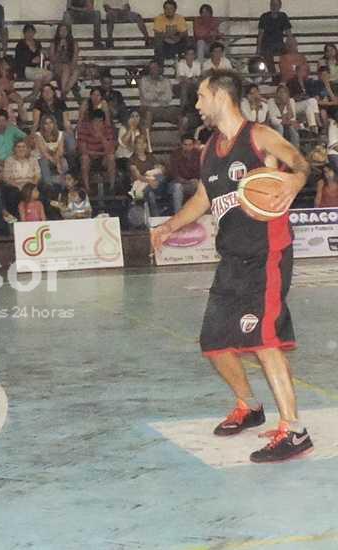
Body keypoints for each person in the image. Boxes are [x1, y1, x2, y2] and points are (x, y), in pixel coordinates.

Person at [152, 69, 313, 463]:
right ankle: (249, 406)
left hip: (266, 253)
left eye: (201, 96)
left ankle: (295, 431)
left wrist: (294, 181)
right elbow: (204, 198)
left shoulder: (258, 137)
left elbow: (300, 162)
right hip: (232, 259)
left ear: (221, 96)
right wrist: (169, 226)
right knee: (214, 342)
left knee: (264, 340)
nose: (196, 104)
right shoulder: (210, 148)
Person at [78, 109, 116, 195]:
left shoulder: (108, 129)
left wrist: (102, 137)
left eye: (100, 121)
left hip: (102, 158)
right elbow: (83, 150)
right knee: (84, 158)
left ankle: (112, 187)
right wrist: (98, 153)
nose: (98, 124)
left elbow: (110, 149)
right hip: (89, 157)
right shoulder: (84, 129)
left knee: (111, 157)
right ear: (91, 122)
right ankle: (87, 188)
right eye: (95, 121)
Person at [140, 60, 181, 132]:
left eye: (156, 67)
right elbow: (146, 96)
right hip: (149, 107)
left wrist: (154, 95)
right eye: (152, 68)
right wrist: (160, 94)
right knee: (148, 113)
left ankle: (183, 137)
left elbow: (168, 97)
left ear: (159, 69)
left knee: (180, 114)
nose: (154, 70)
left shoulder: (166, 81)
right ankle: (146, 137)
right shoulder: (144, 80)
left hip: (164, 108)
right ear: (149, 70)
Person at [129, 134, 166, 215]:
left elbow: (159, 170)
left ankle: (137, 198)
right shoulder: (132, 159)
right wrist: (149, 181)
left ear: (146, 144)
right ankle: (155, 215)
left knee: (160, 177)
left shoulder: (150, 157)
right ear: (135, 145)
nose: (141, 145)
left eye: (143, 143)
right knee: (150, 195)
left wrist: (156, 174)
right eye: (139, 143)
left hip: (154, 184)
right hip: (140, 183)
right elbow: (137, 176)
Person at [2, 139, 40, 216]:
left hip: (30, 185)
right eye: (18, 147)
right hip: (15, 186)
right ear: (14, 149)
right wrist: (18, 186)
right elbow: (6, 178)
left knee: (44, 188)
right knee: (13, 193)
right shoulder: (9, 160)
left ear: (27, 148)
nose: (21, 149)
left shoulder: (33, 159)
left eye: (23, 147)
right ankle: (15, 217)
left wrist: (32, 187)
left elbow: (37, 175)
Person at [14, 24, 52, 98]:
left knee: (49, 75)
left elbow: (42, 56)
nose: (30, 34)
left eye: (31, 32)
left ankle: (36, 95)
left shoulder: (37, 43)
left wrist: (44, 55)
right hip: (24, 69)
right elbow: (18, 61)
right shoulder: (20, 45)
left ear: (34, 33)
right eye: (28, 32)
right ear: (24, 33)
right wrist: (31, 61)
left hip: (36, 69)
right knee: (39, 76)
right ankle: (35, 96)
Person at [257, 0, 293, 78]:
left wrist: (291, 47)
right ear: (270, 6)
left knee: (288, 55)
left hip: (279, 44)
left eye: (276, 5)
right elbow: (260, 35)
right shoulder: (264, 17)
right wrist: (258, 49)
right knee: (267, 55)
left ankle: (286, 75)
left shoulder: (283, 16)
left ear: (280, 6)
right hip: (267, 45)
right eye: (272, 5)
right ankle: (274, 77)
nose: (274, 7)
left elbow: (289, 33)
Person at [168, 134, 201, 213]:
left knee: (201, 186)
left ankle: (198, 215)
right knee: (177, 187)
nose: (187, 147)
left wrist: (197, 180)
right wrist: (188, 182)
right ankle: (178, 215)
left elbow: (202, 171)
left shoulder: (198, 154)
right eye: (185, 145)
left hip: (193, 183)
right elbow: (175, 175)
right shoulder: (175, 154)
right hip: (178, 183)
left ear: (193, 145)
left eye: (190, 145)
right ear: (181, 144)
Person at [34, 115, 67, 186]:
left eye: (51, 122)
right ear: (42, 125)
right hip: (42, 158)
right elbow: (44, 152)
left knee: (64, 163)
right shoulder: (38, 135)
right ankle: (48, 185)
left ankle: (63, 186)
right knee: (44, 161)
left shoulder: (61, 134)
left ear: (54, 123)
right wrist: (56, 162)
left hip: (56, 157)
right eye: (46, 123)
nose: (49, 125)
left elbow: (60, 151)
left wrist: (57, 161)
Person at [49, 24, 80, 99]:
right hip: (57, 66)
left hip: (69, 65)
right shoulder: (54, 43)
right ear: (58, 32)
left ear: (68, 32)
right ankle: (64, 91)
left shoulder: (74, 43)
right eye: (61, 30)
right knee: (65, 67)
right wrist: (59, 49)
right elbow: (52, 60)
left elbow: (75, 58)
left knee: (76, 71)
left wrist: (71, 68)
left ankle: (64, 91)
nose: (63, 32)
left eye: (65, 30)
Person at [177, 46, 202, 112]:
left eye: (192, 54)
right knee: (184, 87)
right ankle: (183, 110)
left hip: (193, 84)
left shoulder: (197, 64)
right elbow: (182, 78)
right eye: (188, 54)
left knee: (200, 86)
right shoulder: (181, 64)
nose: (190, 56)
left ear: (194, 56)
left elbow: (198, 77)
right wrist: (192, 79)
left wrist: (193, 79)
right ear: (185, 56)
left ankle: (200, 108)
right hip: (181, 85)